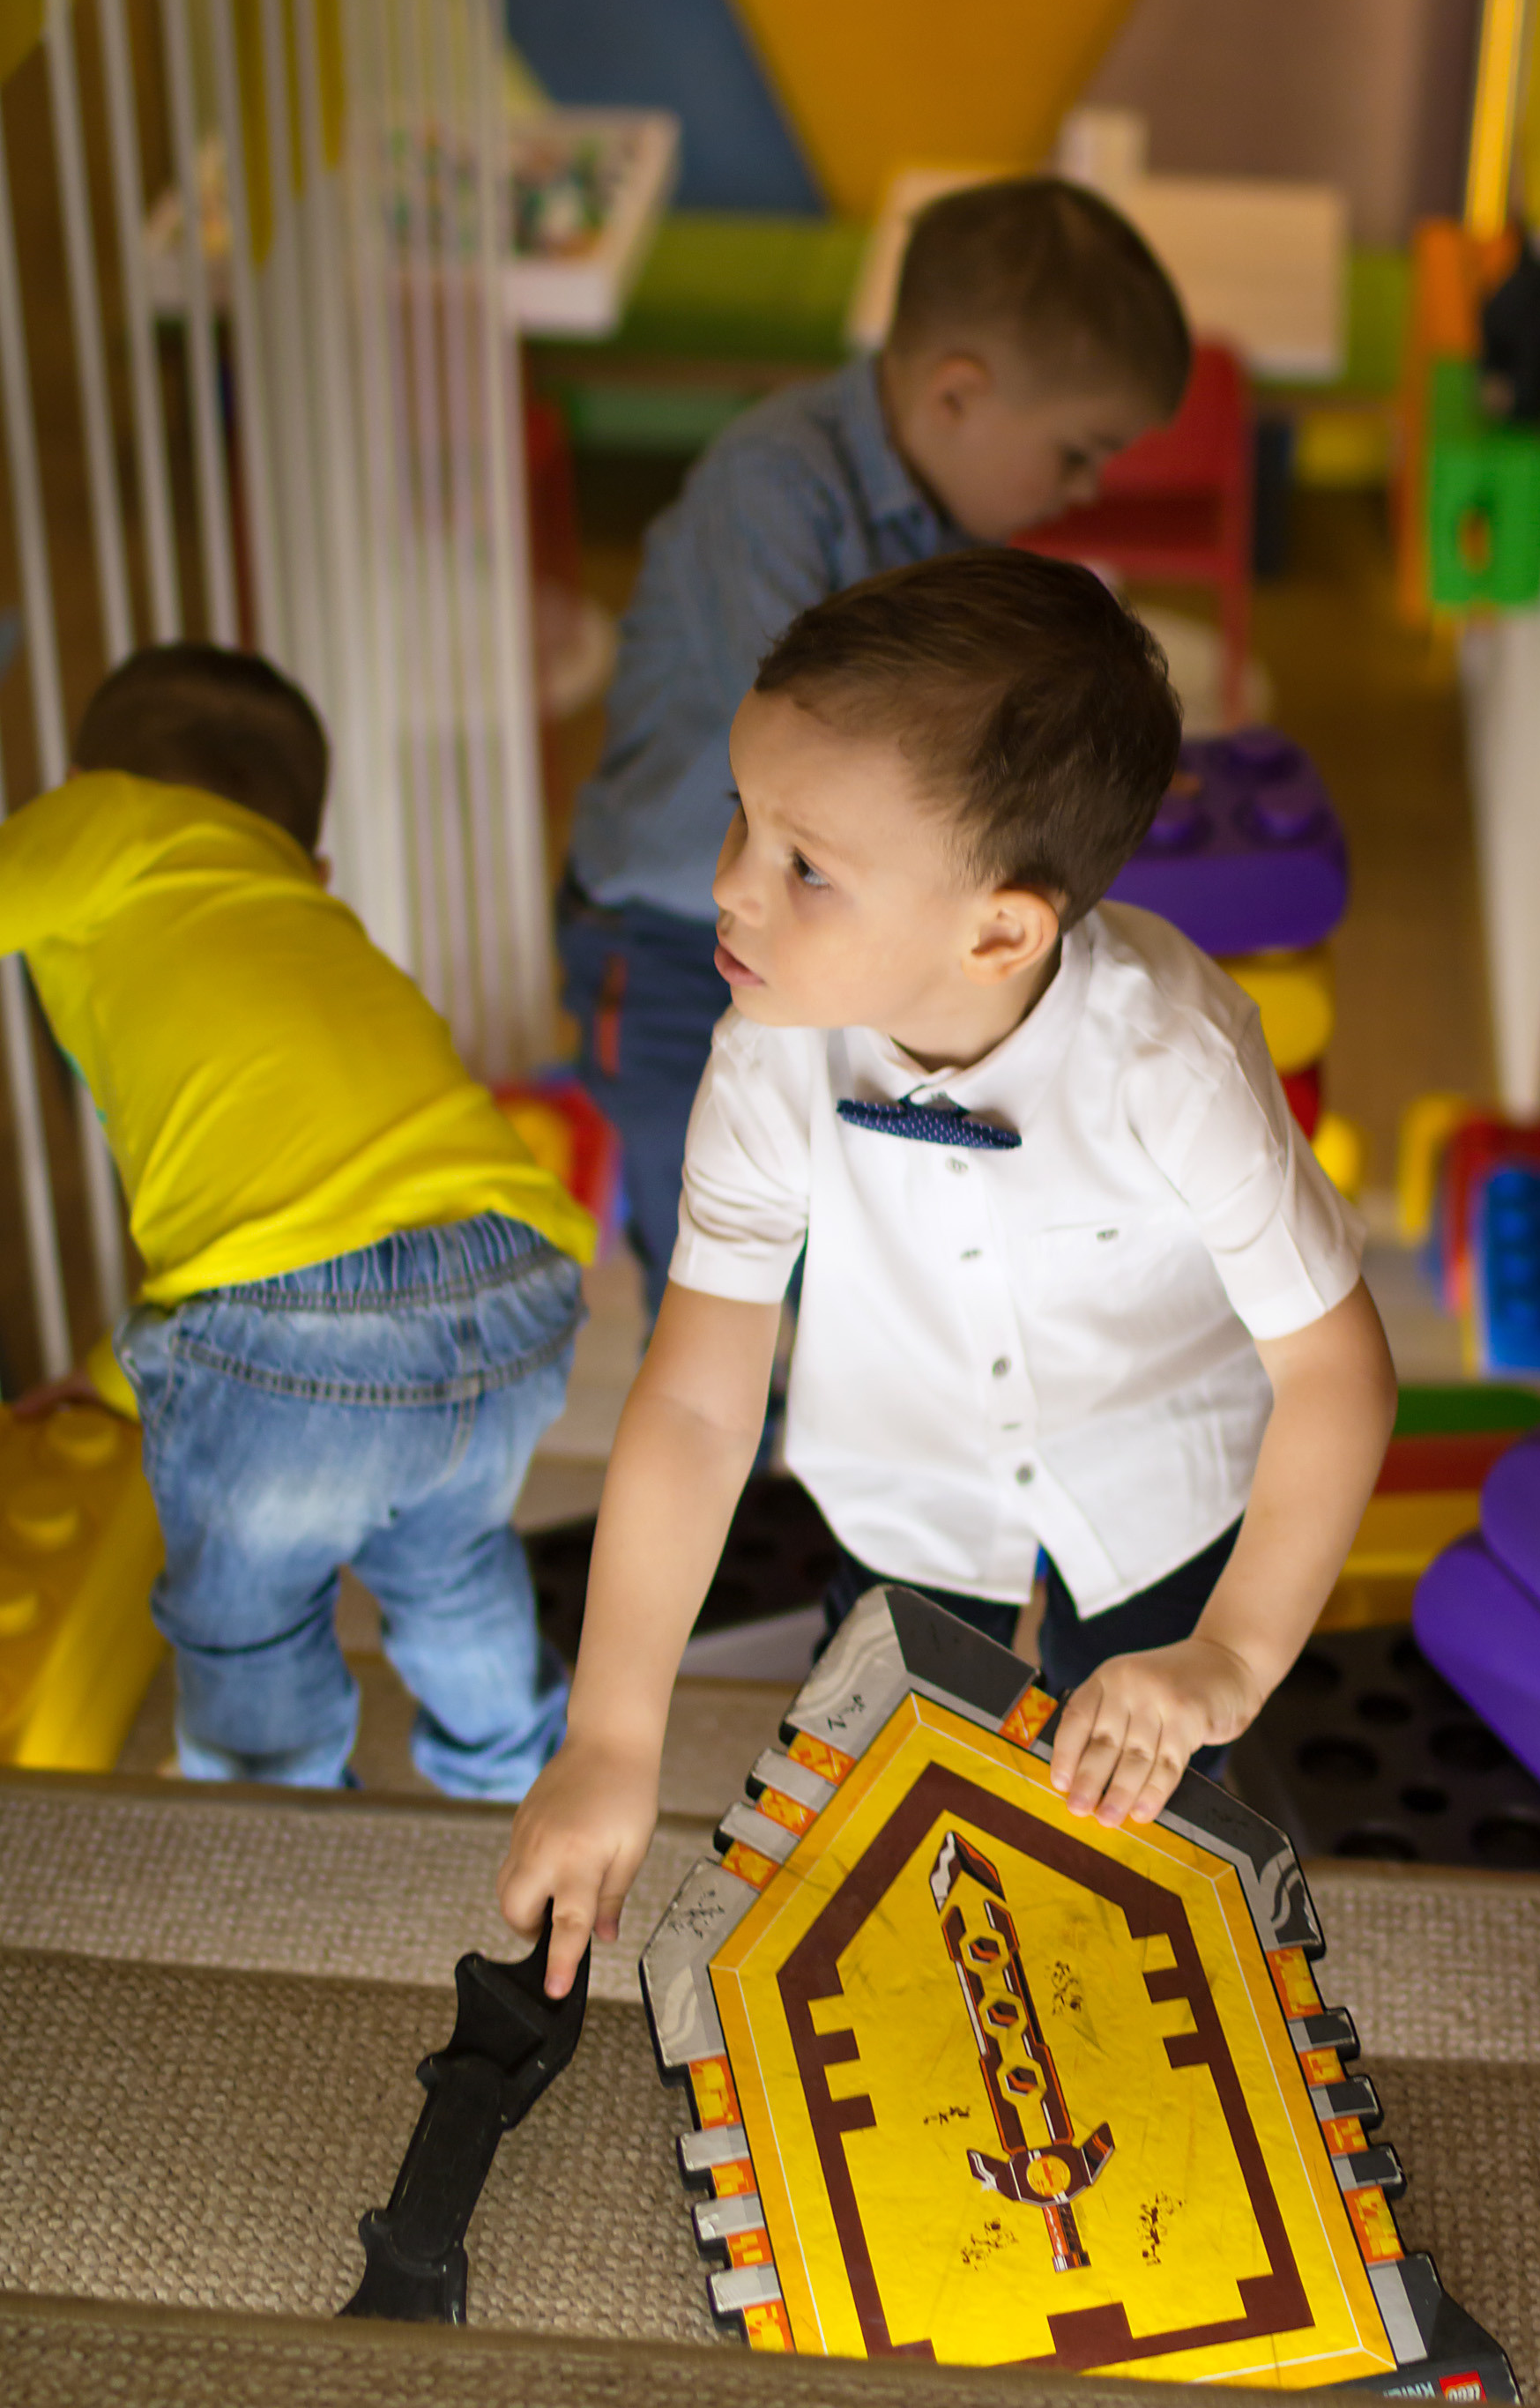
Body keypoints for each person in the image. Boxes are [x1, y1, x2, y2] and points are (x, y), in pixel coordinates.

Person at [500, 553, 1397, 1995]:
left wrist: (1227, 1657)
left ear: (999, 930)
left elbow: (1338, 1374)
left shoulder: (1172, 1056)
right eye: (743, 816)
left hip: (1162, 1478)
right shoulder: (764, 1056)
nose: (724, 887)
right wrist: (610, 1732)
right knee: (901, 1833)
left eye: (805, 867)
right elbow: (697, 1409)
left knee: (1155, 1816)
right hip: (902, 1484)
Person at [560, 176, 1190, 1320]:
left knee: (844, 1228)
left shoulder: (953, 525)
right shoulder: (776, 488)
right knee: (713, 1259)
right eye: (1078, 452)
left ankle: (823, 1437)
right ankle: (736, 1480)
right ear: (959, 393)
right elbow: (828, 762)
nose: (1084, 489)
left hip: (838, 931)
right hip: (670, 939)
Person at [0, 645, 597, 1797]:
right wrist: (111, 1378)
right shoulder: (306, 917)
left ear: (82, 784)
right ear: (315, 865)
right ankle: (519, 1781)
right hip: (518, 1287)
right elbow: (325, 1212)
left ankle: (274, 1828)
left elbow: (292, 1283)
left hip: (296, 1330)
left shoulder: (108, 824)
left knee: (250, 1615)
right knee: (451, 1562)